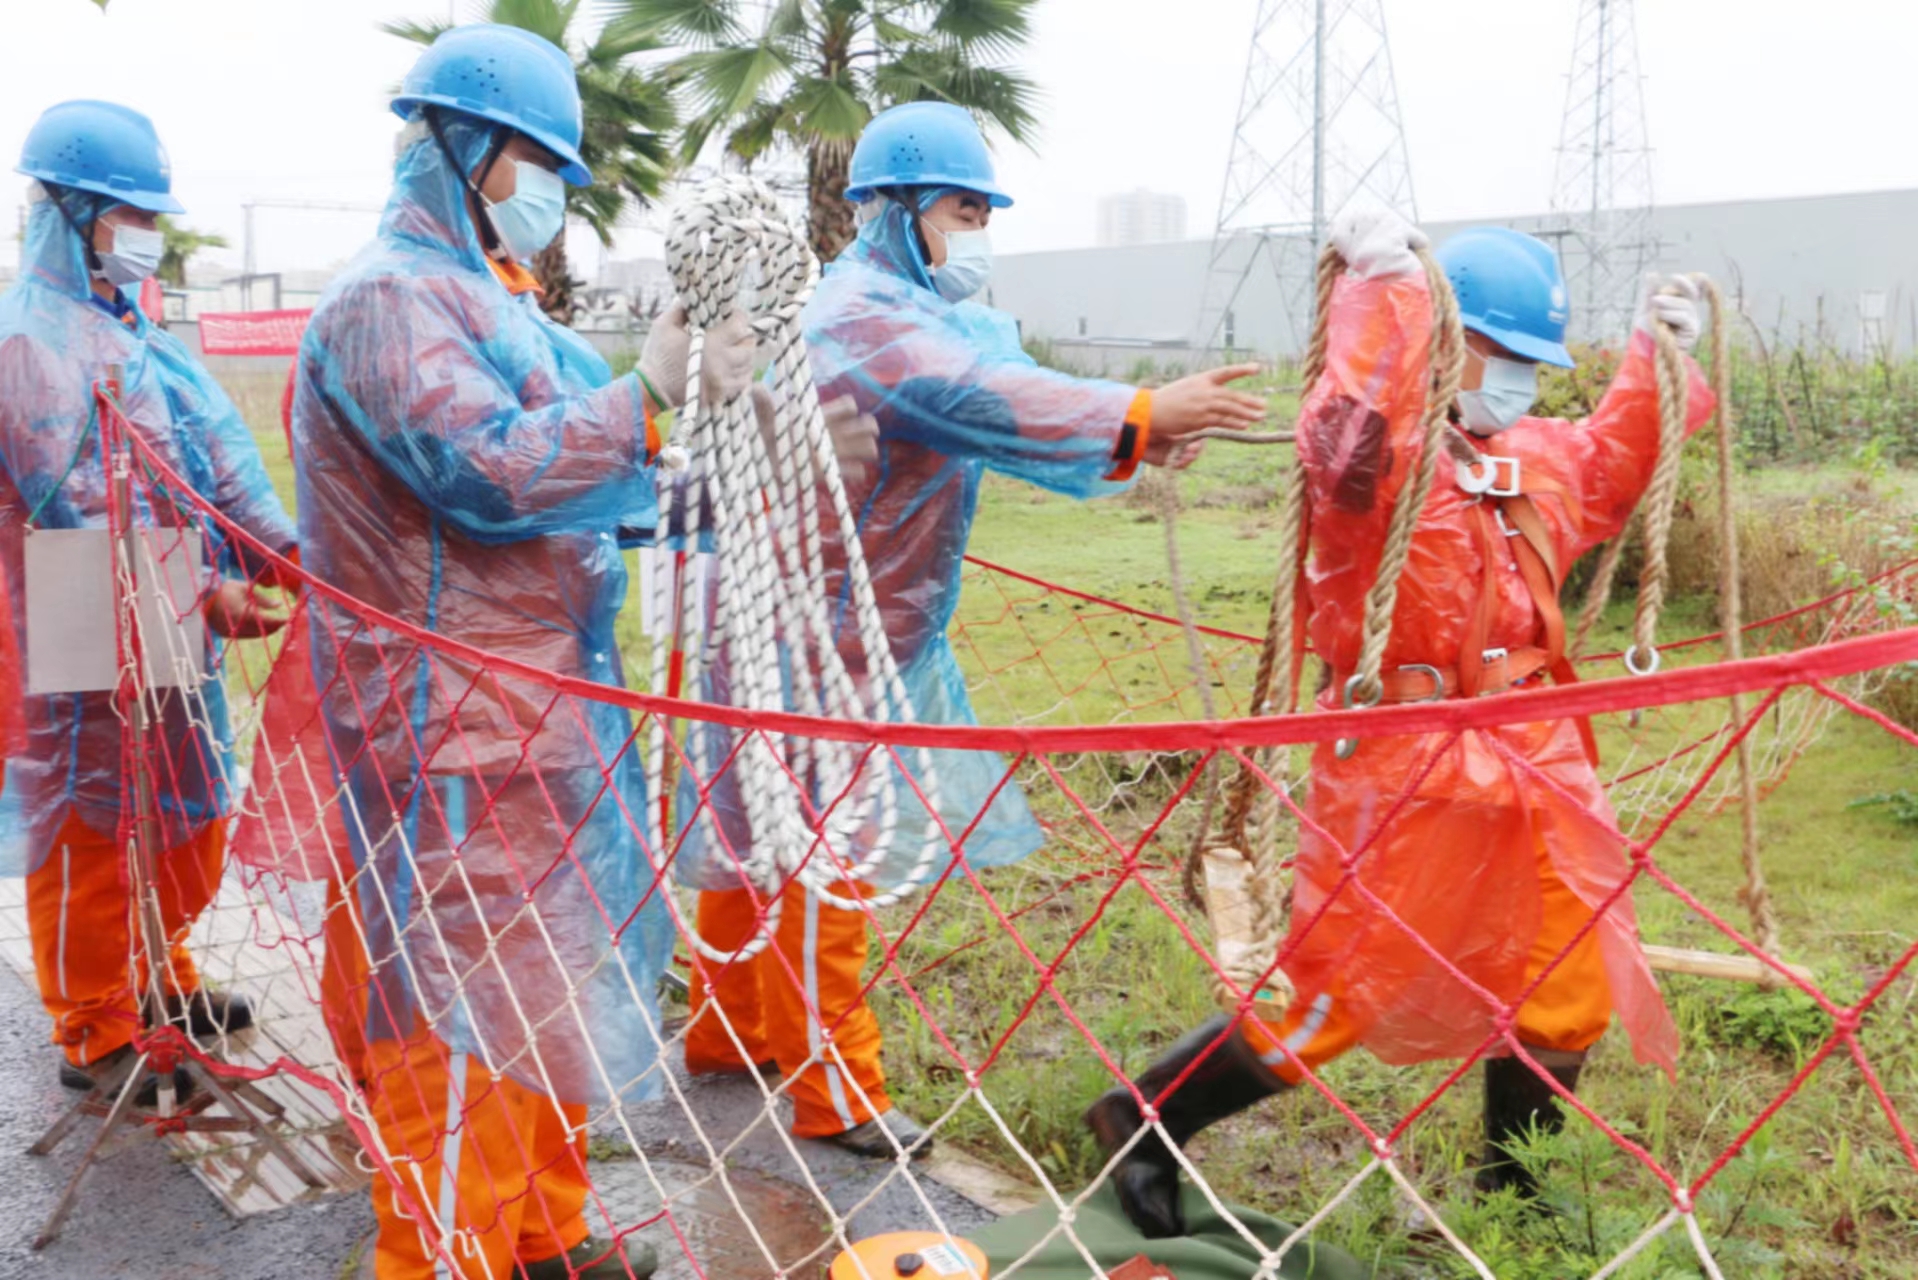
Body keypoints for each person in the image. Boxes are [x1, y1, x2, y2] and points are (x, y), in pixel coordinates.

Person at [1085, 209, 1717, 1237]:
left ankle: (1509, 1192)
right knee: (1341, 991)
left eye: (1530, 357)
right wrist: (1384, 296)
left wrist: (1656, 352)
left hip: (1534, 750)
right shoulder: (1374, 465)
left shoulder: (1539, 454)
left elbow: (1615, 459)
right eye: (1496, 349)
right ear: (1443, 339)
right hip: (1400, 755)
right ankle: (1146, 1115)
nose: (1516, 374)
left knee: (1566, 979)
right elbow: (1353, 437)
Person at [681, 101, 1271, 1159]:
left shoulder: (904, 309)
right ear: (899, 212)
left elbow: (996, 413)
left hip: (799, 625)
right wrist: (1137, 411)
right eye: (964, 208)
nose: (978, 232)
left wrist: (1131, 439)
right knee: (823, 858)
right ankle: (836, 1090)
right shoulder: (867, 319)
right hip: (819, 641)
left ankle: (730, 1034)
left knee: (756, 836)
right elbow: (982, 396)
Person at [290, 26, 754, 1280]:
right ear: (459, 150)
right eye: (530, 164)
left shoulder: (497, 303)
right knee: (453, 1014)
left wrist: (742, 469)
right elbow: (490, 470)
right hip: (448, 721)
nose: (543, 197)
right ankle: (446, 1256)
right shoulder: (388, 299)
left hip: (534, 714)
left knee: (538, 992)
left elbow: (591, 470)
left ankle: (543, 1234)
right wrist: (647, 395)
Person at [0, 101, 297, 1104]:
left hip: (178, 624)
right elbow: (79, 511)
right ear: (76, 213)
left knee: (187, 809)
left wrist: (292, 555)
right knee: (93, 823)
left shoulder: (143, 339)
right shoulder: (29, 344)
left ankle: (155, 975)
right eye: (130, 211)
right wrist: (205, 592)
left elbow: (222, 464)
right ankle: (94, 1025)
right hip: (78, 630)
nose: (147, 232)